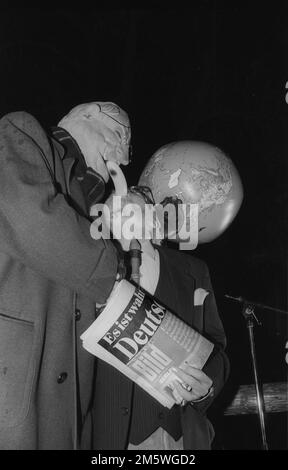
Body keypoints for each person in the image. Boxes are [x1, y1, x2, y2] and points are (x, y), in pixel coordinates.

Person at [0, 101, 131, 450]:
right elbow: (32, 220)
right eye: (119, 134)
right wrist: (116, 271)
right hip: (12, 394)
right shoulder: (22, 130)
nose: (125, 155)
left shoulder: (91, 211)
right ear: (86, 114)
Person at [91, 190, 230, 450]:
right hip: (113, 440)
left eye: (130, 209)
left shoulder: (194, 270)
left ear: (154, 221)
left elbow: (217, 349)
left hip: (184, 435)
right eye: (113, 213)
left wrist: (205, 388)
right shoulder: (90, 272)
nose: (120, 215)